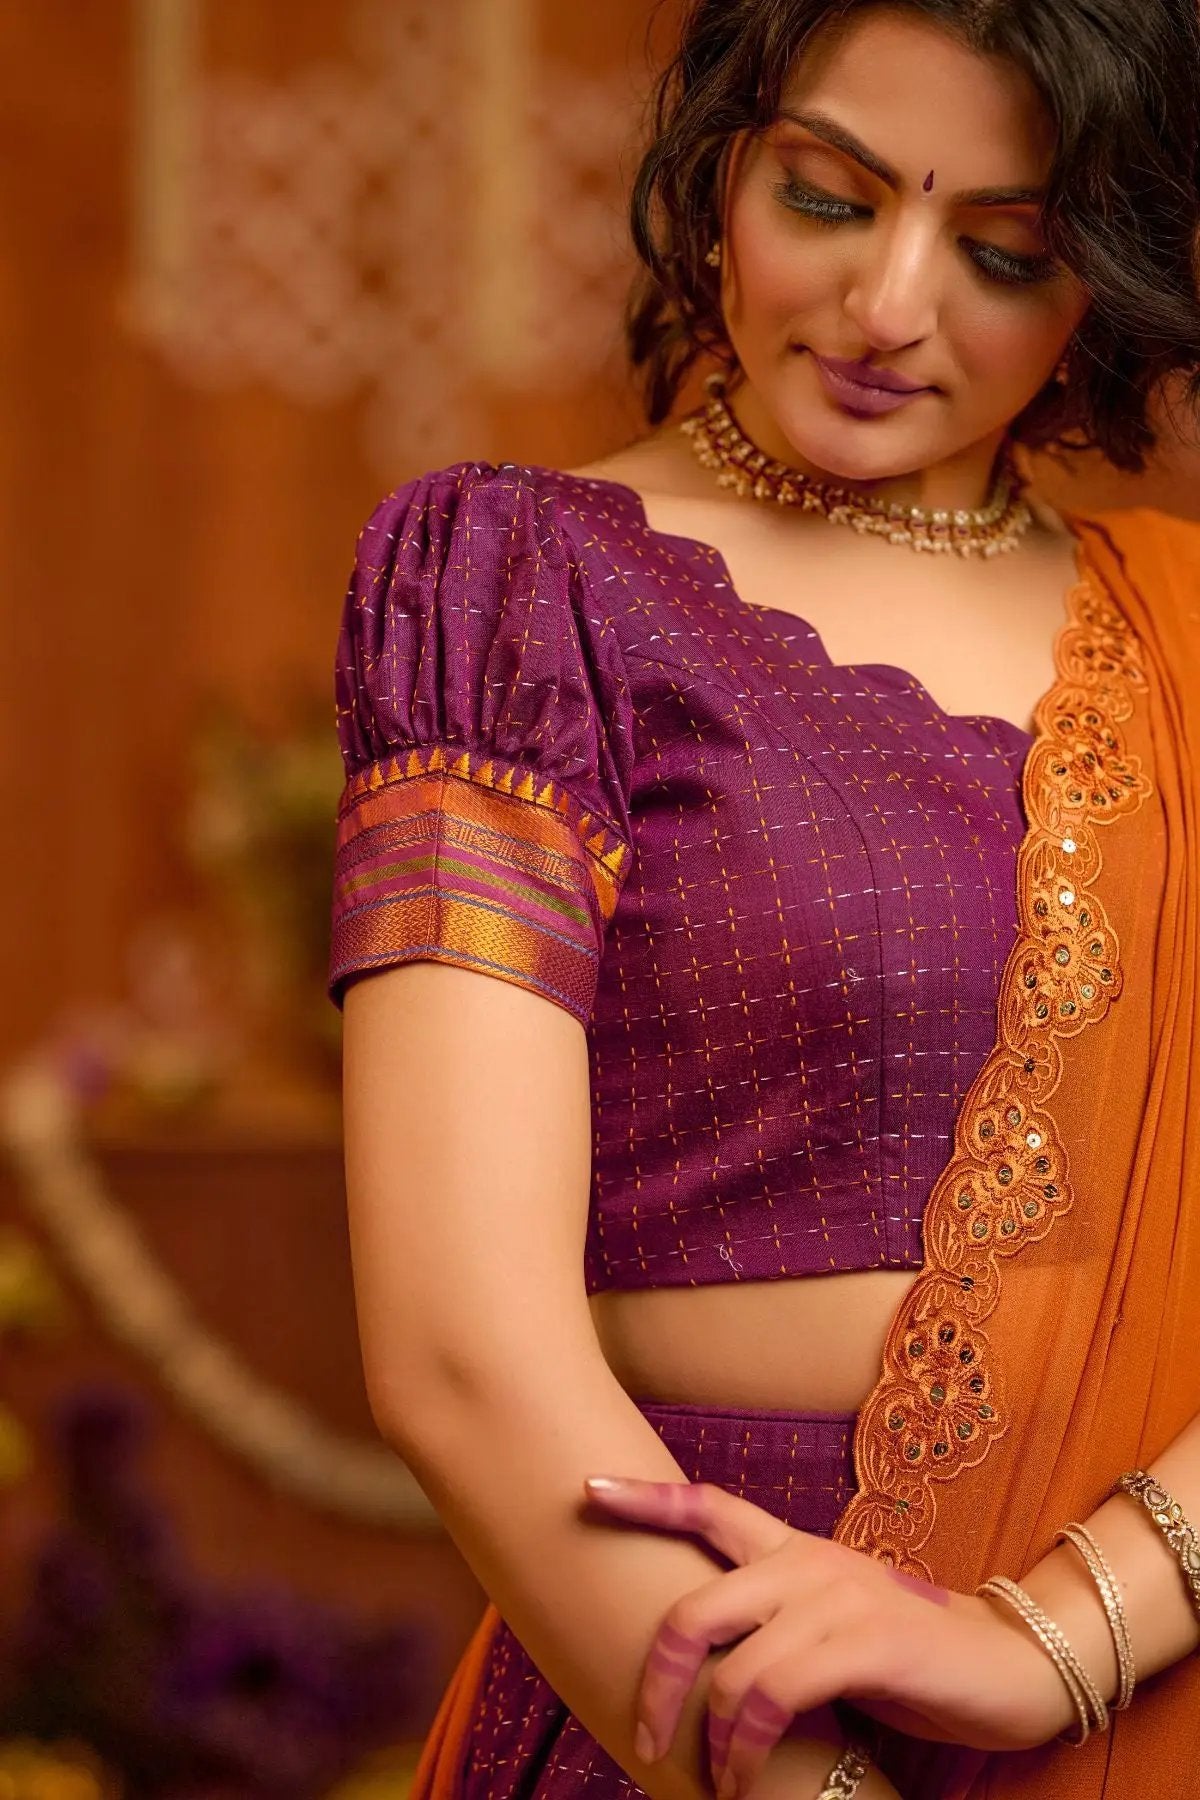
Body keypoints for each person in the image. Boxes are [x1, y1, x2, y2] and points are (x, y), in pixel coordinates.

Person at [327, 2, 1200, 1796]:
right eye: (826, 197)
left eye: (1003, 252)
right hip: (695, 1687)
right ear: (719, 164)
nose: (890, 308)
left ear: (1107, 275)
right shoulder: (524, 588)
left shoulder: (1189, 640)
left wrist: (1055, 1644)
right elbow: (457, 1354)